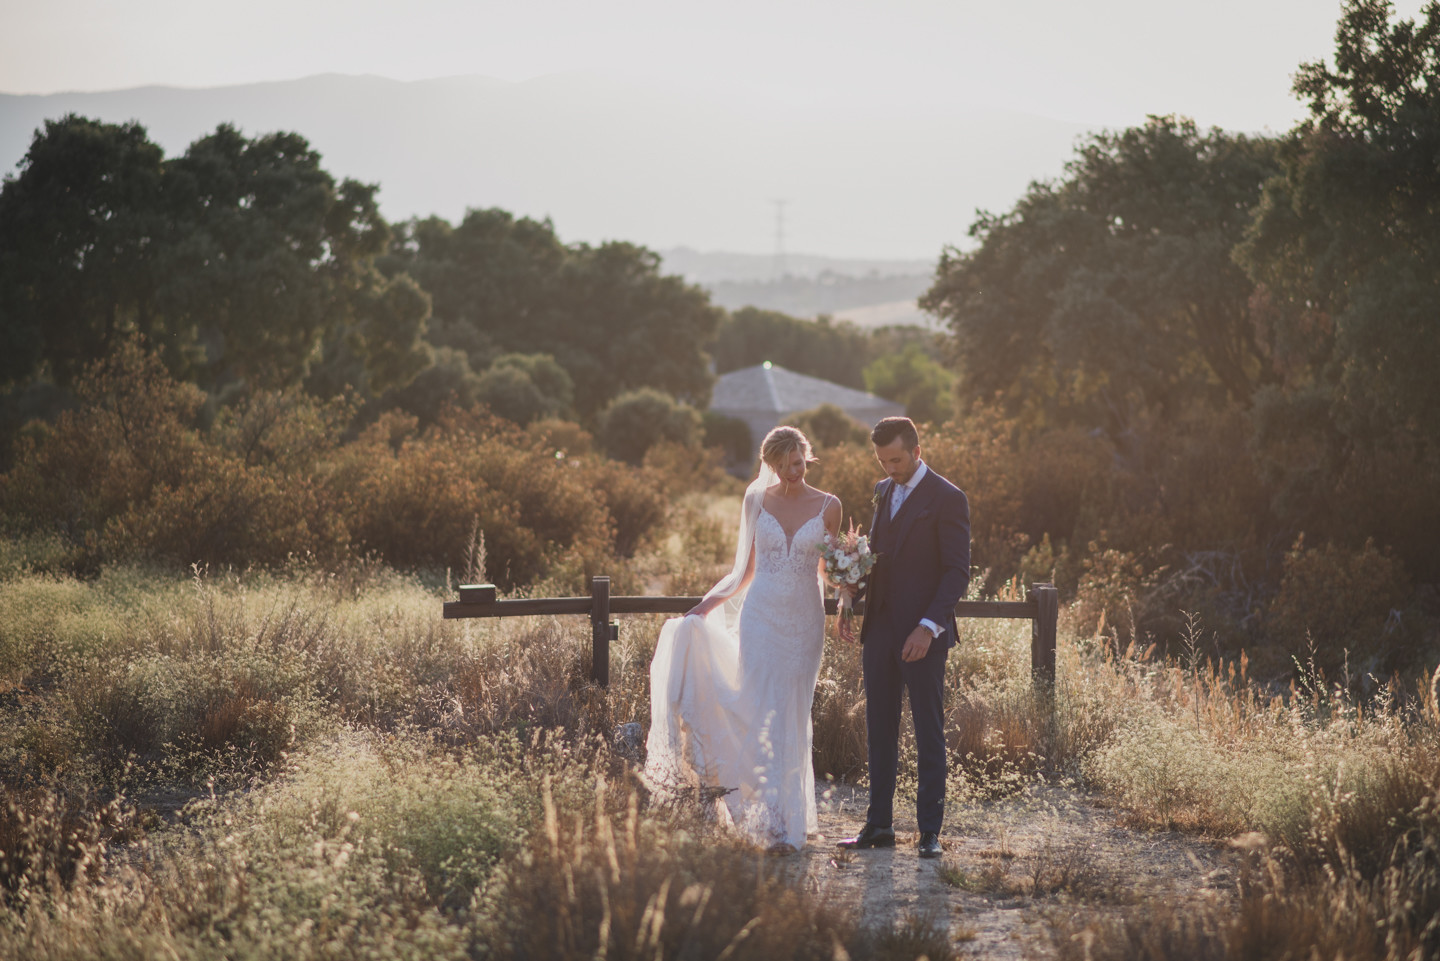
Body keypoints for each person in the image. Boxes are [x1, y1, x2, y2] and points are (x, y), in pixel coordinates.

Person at [645, 426, 843, 853]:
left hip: (804, 622)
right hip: (761, 619)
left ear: (806, 457)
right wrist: (705, 606)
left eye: (796, 464)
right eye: (781, 466)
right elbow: (745, 573)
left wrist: (849, 577)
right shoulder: (756, 500)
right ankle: (763, 820)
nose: (790, 474)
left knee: (792, 712)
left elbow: (827, 570)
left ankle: (790, 819)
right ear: (770, 465)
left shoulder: (830, 505)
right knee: (759, 708)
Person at [836, 416, 970, 859]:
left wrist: (928, 627)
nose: (889, 468)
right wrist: (849, 591)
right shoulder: (882, 490)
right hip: (878, 631)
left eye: (895, 459)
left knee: (929, 731)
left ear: (916, 449)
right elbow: (877, 555)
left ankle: (929, 832)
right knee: (879, 729)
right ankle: (879, 826)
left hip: (922, 637)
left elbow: (956, 572)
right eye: (882, 460)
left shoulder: (948, 498)